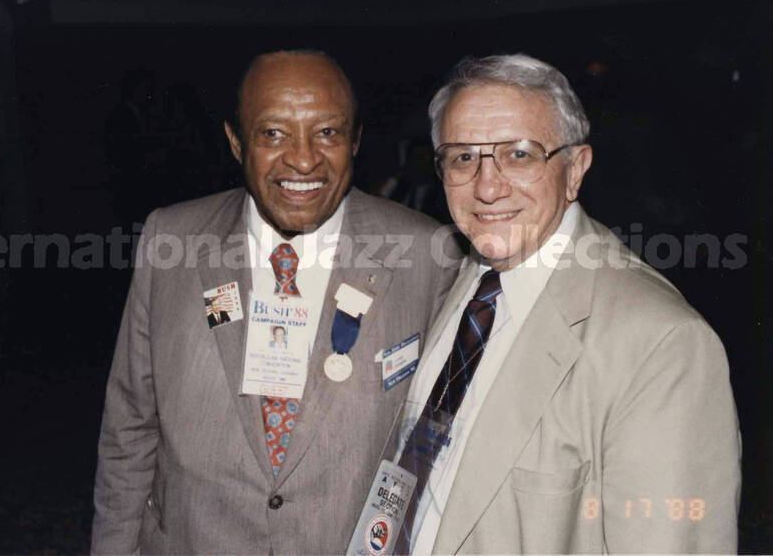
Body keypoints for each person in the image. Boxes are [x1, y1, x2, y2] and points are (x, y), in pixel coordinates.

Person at [91, 50, 460, 554]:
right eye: (273, 134)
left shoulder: (427, 254)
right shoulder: (170, 241)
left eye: (327, 132)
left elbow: (438, 444)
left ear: (355, 140)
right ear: (236, 142)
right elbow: (129, 430)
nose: (304, 159)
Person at [397, 54, 740, 554]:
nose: (487, 187)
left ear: (575, 169)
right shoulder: (465, 279)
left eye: (519, 154)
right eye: (463, 157)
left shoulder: (660, 345)